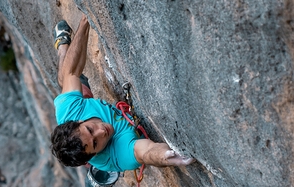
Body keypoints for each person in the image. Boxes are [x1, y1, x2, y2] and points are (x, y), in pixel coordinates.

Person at [50, 15, 194, 172]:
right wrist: (165, 156)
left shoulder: (69, 111)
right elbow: (145, 152)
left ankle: (62, 45)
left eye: (90, 129)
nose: (101, 131)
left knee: (65, 79)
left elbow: (71, 71)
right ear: (93, 156)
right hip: (90, 115)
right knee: (70, 82)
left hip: (82, 103)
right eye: (96, 144)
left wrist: (86, 19)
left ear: (78, 121)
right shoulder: (116, 156)